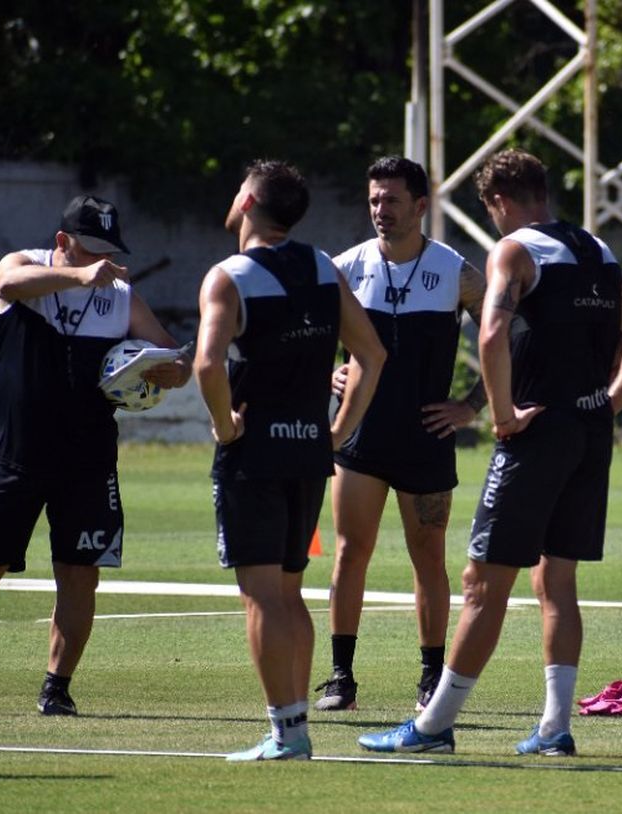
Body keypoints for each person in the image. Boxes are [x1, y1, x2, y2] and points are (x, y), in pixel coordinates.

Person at [357, 148, 622, 755]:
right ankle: (554, 727)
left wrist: (500, 414)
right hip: (588, 433)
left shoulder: (516, 250)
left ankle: (433, 726)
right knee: (557, 582)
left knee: (482, 581)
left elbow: (492, 333)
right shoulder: (596, 252)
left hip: (537, 434)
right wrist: (607, 404)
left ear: (498, 200)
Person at [0, 195, 191, 716]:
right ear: (61, 242)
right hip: (14, 455)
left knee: (80, 573)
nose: (102, 260)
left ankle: (57, 687)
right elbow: (5, 284)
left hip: (89, 461)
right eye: (89, 249)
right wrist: (77, 279)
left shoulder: (122, 298)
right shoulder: (23, 266)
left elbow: (172, 353)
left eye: (108, 250)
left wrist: (171, 372)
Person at [195, 160, 385, 761]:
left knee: (262, 598)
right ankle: (295, 727)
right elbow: (372, 355)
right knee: (289, 593)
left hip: (254, 459)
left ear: (248, 201)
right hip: (309, 454)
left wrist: (225, 427)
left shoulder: (228, 276)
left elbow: (206, 364)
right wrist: (336, 431)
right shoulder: (322, 267)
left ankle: (286, 733)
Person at [315, 156, 487, 713]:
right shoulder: (344, 267)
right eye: (373, 201)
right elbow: (303, 332)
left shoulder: (456, 271)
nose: (380, 211)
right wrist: (327, 369)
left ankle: (431, 677)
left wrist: (471, 406)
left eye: (391, 200)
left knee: (428, 559)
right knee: (348, 555)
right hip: (359, 439)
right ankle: (341, 677)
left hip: (426, 440)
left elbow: (509, 338)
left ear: (420, 205)